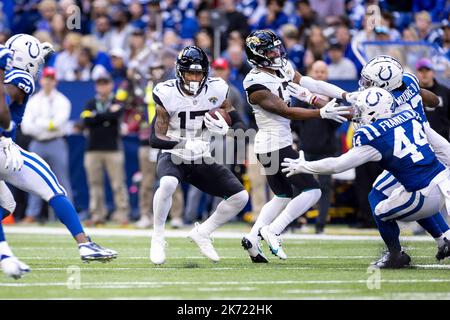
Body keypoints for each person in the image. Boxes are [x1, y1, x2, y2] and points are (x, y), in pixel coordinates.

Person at [282, 87, 450, 268]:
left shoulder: (372, 135)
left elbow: (337, 165)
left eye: (362, 111)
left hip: (423, 193)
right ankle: (443, 240)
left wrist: (304, 166)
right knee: (387, 192)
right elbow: (441, 144)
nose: (358, 115)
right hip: (442, 179)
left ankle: (395, 255)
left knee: (380, 211)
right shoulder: (409, 115)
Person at [0, 35, 116, 280]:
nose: (39, 66)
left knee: (6, 205)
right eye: (36, 60)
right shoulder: (19, 78)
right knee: (53, 188)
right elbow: (3, 105)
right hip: (3, 148)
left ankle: (6, 256)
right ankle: (85, 243)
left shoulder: (13, 74)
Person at [241, 29, 354, 262]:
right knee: (312, 191)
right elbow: (286, 111)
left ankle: (252, 238)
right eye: (270, 51)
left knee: (282, 195)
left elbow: (312, 83)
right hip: (275, 143)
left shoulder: (279, 68)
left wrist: (346, 95)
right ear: (258, 55)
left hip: (271, 144)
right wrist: (321, 112)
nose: (276, 53)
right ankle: (273, 230)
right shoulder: (255, 82)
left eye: (276, 48)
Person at [149, 46, 248, 264]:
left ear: (206, 73)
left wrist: (227, 129)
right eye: (190, 73)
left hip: (200, 156)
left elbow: (240, 124)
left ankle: (203, 233)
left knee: (241, 197)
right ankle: (157, 236)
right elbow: (155, 138)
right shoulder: (166, 93)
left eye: (198, 73)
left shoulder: (217, 90)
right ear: (179, 72)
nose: (194, 78)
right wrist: (184, 142)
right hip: (174, 153)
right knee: (166, 183)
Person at [355, 55, 450, 262]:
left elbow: (363, 112)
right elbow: (429, 97)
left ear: (385, 84)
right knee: (416, 195)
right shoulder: (410, 80)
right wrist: (436, 100)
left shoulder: (389, 103)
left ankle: (396, 253)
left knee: (378, 196)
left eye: (370, 82)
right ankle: (443, 237)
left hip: (418, 155)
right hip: (429, 147)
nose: (366, 85)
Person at [291, 61, 341, 234]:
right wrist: (310, 101)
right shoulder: (303, 95)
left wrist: (324, 105)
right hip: (306, 147)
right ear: (311, 73)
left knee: (325, 187)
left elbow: (338, 124)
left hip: (327, 149)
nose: (319, 74)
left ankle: (320, 225)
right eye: (316, 71)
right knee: (298, 185)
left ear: (326, 74)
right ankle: (295, 221)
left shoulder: (334, 97)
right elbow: (295, 120)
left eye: (322, 71)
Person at [21, 67, 73, 223]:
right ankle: (32, 214)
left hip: (56, 142)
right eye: (46, 78)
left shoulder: (62, 100)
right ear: (41, 80)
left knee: (62, 180)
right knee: (33, 179)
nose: (48, 82)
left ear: (55, 81)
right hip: (37, 143)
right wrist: (47, 124)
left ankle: (67, 215)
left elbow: (58, 123)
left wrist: (39, 123)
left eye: (51, 79)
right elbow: (25, 127)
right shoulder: (34, 100)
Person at [81, 69, 130, 226]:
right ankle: (97, 214)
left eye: (105, 84)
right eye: (100, 84)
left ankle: (122, 214)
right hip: (93, 149)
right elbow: (86, 120)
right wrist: (106, 117)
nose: (103, 87)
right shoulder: (90, 102)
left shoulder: (116, 102)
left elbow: (115, 117)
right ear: (96, 86)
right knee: (95, 184)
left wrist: (97, 117)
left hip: (113, 148)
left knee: (118, 183)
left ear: (111, 85)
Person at [416, 58, 450, 141]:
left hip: (443, 139)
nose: (424, 74)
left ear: (433, 72)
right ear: (416, 73)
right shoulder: (412, 93)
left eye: (427, 70)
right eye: (421, 70)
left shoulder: (445, 91)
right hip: (421, 141)